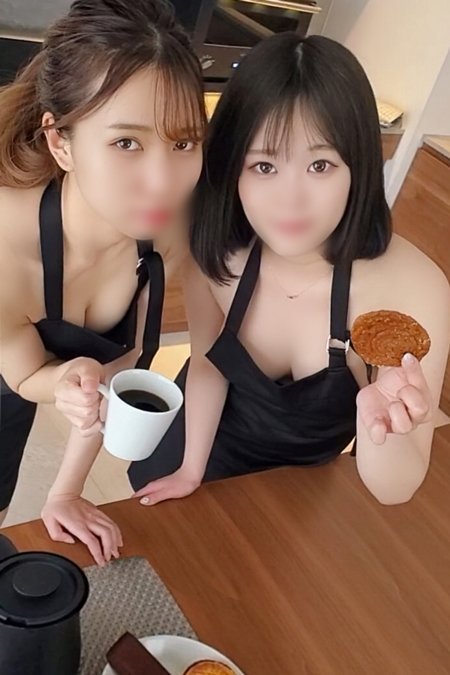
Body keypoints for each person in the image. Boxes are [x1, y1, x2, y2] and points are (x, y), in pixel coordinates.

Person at [129, 32, 450, 507]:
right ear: (233, 168)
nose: (290, 199)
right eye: (263, 166)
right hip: (191, 445)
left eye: (320, 165)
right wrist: (190, 470)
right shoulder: (217, 246)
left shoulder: (410, 289)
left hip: (297, 492)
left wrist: (385, 427)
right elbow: (206, 362)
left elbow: (394, 489)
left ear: (359, 167)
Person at [0, 0, 206, 565]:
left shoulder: (164, 233)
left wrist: (66, 491)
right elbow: (24, 376)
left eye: (183, 143)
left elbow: (115, 369)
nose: (163, 182)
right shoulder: (4, 248)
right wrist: (59, 380)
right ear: (60, 143)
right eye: (127, 143)